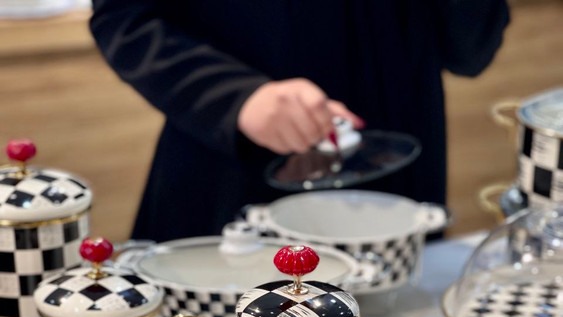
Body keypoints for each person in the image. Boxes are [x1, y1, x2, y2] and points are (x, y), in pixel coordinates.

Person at [90, 1, 510, 242]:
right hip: (237, 166)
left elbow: (471, 49)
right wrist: (237, 98)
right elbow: (126, 20)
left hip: (396, 169)